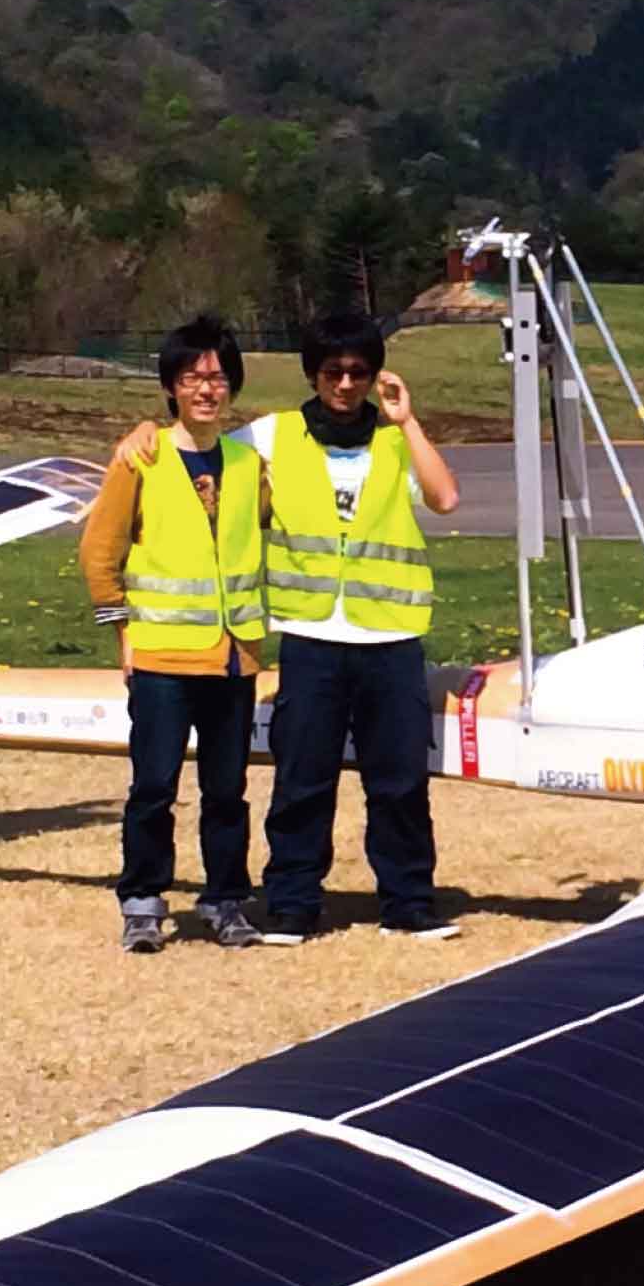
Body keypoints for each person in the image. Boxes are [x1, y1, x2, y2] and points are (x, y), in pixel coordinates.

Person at [243, 312, 462, 939]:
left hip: (388, 636)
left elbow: (445, 499)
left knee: (398, 782)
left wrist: (408, 420)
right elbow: (199, 458)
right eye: (333, 371)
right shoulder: (273, 435)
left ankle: (408, 901)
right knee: (301, 779)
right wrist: (147, 433)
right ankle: (290, 901)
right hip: (313, 636)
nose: (345, 383)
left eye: (358, 372)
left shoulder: (395, 439)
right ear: (313, 373)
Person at [78, 316, 277, 952]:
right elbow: (99, 550)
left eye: (217, 378)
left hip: (233, 659)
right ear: (170, 387)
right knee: (154, 786)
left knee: (228, 791)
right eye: (192, 378)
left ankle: (225, 901)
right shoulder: (143, 456)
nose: (206, 390)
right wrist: (122, 631)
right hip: (163, 657)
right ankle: (142, 899)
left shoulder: (248, 465)